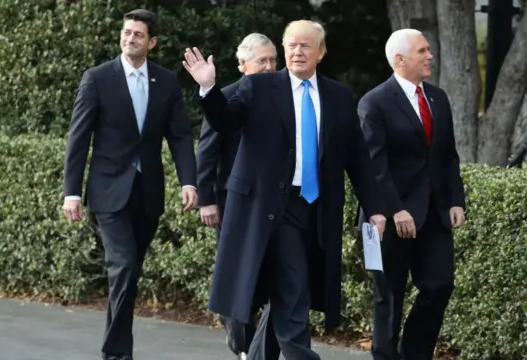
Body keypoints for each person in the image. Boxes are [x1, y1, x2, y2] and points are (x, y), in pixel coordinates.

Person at [182, 20, 387, 360]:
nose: (297, 51)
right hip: (272, 206)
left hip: (319, 208)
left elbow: (358, 158)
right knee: (293, 287)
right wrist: (208, 89)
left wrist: (376, 208)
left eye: (306, 45)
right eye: (291, 44)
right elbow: (225, 122)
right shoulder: (259, 88)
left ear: (320, 53)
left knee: (293, 289)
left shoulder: (337, 96)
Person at [61, 9, 197, 360]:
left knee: (129, 271)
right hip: (108, 191)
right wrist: (71, 192)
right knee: (123, 266)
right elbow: (78, 138)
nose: (129, 39)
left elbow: (180, 136)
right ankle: (118, 353)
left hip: (147, 191)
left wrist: (189, 182)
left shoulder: (166, 82)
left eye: (138, 34)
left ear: (151, 42)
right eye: (126, 32)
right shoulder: (97, 78)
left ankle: (115, 345)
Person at [357, 29, 466, 360]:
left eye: (429, 49)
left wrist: (456, 199)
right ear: (400, 60)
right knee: (389, 296)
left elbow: (447, 155)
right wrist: (395, 209)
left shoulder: (438, 98)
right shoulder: (374, 102)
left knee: (440, 285)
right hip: (389, 218)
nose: (430, 55)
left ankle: (414, 354)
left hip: (433, 213)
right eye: (423, 51)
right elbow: (374, 166)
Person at [195, 33, 280, 360]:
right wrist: (207, 200)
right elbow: (207, 152)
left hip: (274, 205)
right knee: (238, 276)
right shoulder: (226, 97)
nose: (270, 67)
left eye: (273, 60)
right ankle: (242, 345)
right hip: (232, 204)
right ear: (243, 65)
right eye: (263, 61)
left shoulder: (284, 98)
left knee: (275, 279)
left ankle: (260, 347)